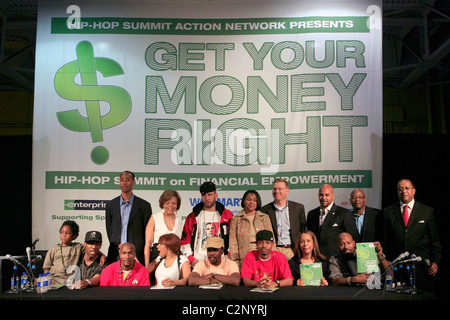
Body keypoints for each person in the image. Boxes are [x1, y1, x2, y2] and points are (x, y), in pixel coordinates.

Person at [382, 178, 441, 292]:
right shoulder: (388, 212)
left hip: (421, 269)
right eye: (400, 189)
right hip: (398, 269)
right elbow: (385, 240)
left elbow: (435, 240)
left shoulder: (426, 211)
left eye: (407, 188)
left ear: (414, 191)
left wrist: (435, 262)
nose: (404, 191)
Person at [181, 181, 234, 268]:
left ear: (216, 195)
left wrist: (227, 256)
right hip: (198, 262)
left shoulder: (227, 215)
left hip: (222, 262)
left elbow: (233, 240)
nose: (207, 198)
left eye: (209, 195)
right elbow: (185, 241)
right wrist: (191, 260)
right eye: (204, 195)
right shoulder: (193, 216)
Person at [105, 170, 152, 265]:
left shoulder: (144, 205)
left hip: (136, 254)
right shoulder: (111, 205)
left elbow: (147, 232)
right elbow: (109, 228)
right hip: (116, 253)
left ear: (133, 181)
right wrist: (117, 244)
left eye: (128, 180)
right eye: (122, 180)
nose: (124, 183)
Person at [306, 184, 359, 258]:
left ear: (333, 196)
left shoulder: (344, 213)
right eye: (321, 195)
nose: (324, 198)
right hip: (316, 259)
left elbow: (353, 237)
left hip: (336, 259)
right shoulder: (311, 214)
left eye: (327, 195)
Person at [260, 178, 306, 260]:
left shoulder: (298, 208)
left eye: (280, 189)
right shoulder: (264, 210)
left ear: (287, 191)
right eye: (274, 189)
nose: (277, 191)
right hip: (273, 250)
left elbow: (302, 229)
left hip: (292, 250)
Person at [229, 190, 274, 267]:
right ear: (244, 202)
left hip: (263, 254)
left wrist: (273, 257)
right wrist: (235, 262)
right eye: (249, 199)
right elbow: (233, 243)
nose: (251, 202)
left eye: (254, 200)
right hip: (244, 257)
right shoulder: (236, 219)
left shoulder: (264, 217)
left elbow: (271, 239)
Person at [144, 190, 183, 268]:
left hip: (175, 258)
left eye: (173, 203)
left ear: (177, 205)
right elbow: (148, 244)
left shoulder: (179, 221)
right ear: (163, 204)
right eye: (167, 203)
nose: (170, 206)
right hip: (157, 257)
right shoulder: (155, 218)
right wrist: (147, 265)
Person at [43, 220, 85, 285]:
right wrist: (47, 280)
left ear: (74, 236)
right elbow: (46, 268)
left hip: (71, 282)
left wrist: (101, 256)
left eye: (67, 233)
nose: (64, 235)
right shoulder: (54, 249)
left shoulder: (78, 247)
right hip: (54, 281)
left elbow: (91, 250)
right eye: (62, 232)